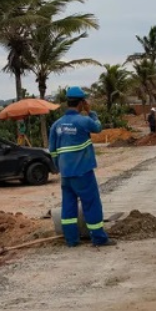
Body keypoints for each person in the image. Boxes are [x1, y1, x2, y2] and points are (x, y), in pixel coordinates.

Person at [49, 86, 115, 248]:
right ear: (81, 102)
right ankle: (98, 238)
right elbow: (98, 127)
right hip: (83, 172)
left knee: (68, 206)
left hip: (66, 175)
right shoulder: (83, 121)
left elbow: (53, 151)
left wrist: (60, 168)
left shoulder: (56, 125)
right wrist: (92, 112)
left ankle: (71, 240)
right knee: (91, 204)